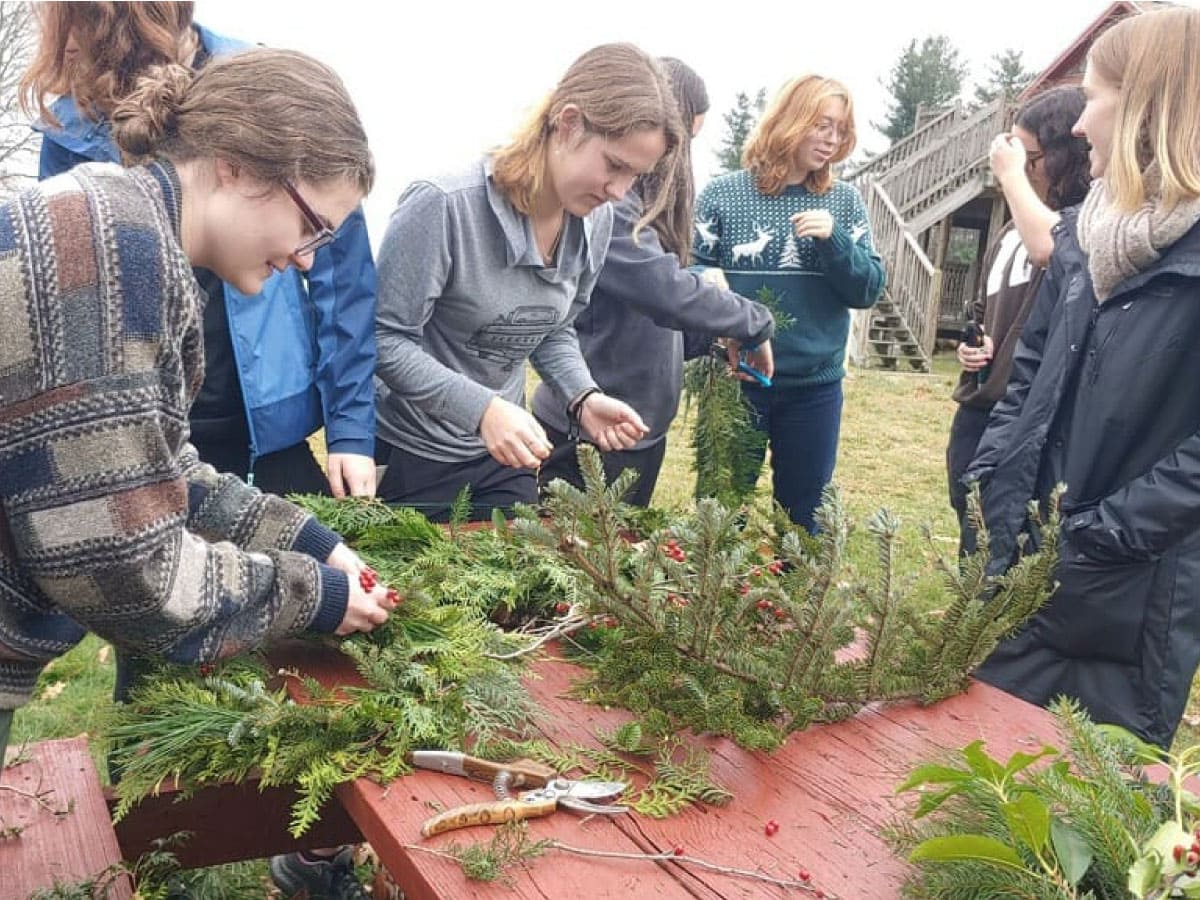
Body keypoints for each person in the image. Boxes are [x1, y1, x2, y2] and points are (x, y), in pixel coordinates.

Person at [0, 47, 394, 777]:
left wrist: (309, 539)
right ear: (237, 166)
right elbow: (125, 570)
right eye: (312, 225)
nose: (308, 261)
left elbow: (155, 462)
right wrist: (314, 597)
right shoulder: (117, 257)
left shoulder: (120, 218)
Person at [23, 2, 378, 500]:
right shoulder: (71, 135)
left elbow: (344, 281)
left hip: (263, 422)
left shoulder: (276, 91)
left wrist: (351, 427)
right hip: (146, 415)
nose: (307, 255)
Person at [967, 6, 1200, 748]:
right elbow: (1031, 369)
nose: (1078, 124)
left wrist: (1099, 540)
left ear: (1148, 109)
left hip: (1127, 605)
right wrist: (992, 476)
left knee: (1083, 819)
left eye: (1095, 97)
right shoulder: (1088, 236)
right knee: (979, 781)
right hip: (1019, 566)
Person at [373, 43, 681, 520]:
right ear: (568, 122)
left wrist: (582, 396)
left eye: (635, 177)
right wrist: (482, 410)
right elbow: (385, 340)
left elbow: (554, 326)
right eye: (614, 165)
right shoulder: (442, 206)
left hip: (506, 453)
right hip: (414, 453)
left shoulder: (594, 220)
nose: (619, 192)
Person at [530, 58, 774, 507]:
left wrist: (713, 337)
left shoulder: (637, 206)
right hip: (586, 429)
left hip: (637, 431)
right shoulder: (611, 211)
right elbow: (663, 293)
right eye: (686, 138)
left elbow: (651, 323)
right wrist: (753, 321)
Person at [693, 74, 885, 532]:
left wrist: (834, 241)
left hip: (814, 388)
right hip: (735, 380)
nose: (832, 139)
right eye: (822, 125)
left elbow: (868, 290)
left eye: (840, 129)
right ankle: (714, 602)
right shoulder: (722, 195)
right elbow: (692, 274)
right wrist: (713, 295)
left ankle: (795, 602)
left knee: (804, 520)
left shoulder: (843, 202)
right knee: (719, 515)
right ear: (789, 119)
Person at [947, 87, 1090, 554]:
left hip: (1026, 412)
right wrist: (974, 343)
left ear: (1065, 157)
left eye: (1029, 156)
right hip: (980, 402)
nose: (1020, 167)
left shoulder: (1080, 225)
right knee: (967, 508)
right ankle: (969, 615)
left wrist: (1010, 178)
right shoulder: (1010, 231)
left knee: (1007, 531)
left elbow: (1051, 249)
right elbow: (983, 310)